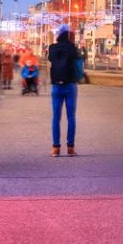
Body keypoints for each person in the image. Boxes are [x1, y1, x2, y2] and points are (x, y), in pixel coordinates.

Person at [47, 24, 81, 157]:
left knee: (56, 117)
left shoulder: (53, 48)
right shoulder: (72, 48)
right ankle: (70, 148)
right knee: (71, 117)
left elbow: (50, 58)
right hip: (70, 85)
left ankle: (56, 148)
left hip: (56, 86)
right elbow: (78, 60)